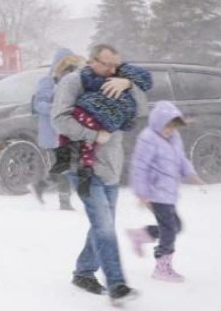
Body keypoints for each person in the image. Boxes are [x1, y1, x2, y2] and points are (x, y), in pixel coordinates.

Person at [51, 43, 148, 305]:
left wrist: (128, 85)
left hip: (111, 167)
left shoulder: (120, 80)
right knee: (104, 227)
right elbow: (59, 119)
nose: (112, 69)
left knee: (101, 226)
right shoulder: (73, 82)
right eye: (106, 64)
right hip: (82, 165)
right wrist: (94, 134)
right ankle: (117, 286)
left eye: (115, 65)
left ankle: (83, 272)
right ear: (92, 61)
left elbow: (141, 110)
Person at [126, 101, 206, 283]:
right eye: (167, 127)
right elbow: (139, 167)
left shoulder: (174, 137)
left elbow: (181, 159)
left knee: (176, 226)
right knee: (170, 229)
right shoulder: (148, 139)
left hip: (168, 192)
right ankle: (162, 266)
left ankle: (141, 235)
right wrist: (142, 193)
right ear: (157, 123)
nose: (170, 131)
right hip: (155, 193)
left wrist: (191, 174)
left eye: (173, 127)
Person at [56, 61, 153, 199]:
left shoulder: (126, 82)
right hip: (93, 119)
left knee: (87, 149)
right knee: (84, 146)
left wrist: (127, 84)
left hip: (101, 126)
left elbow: (140, 109)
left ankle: (76, 170)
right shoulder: (81, 79)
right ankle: (72, 169)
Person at [31, 49, 85, 210]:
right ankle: (64, 202)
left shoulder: (72, 81)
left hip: (67, 130)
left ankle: (41, 185)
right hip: (52, 132)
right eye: (67, 64)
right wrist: (58, 108)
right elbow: (39, 104)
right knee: (65, 166)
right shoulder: (47, 82)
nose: (71, 68)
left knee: (66, 165)